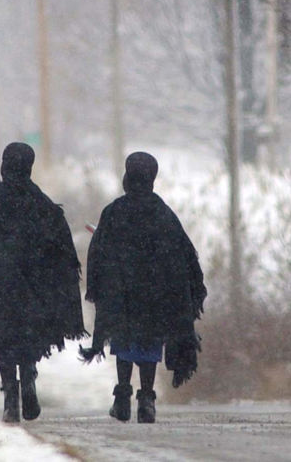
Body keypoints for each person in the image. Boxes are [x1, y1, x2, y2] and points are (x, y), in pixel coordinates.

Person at [0, 142, 86, 423]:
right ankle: (29, 377)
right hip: (34, 293)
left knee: (4, 339)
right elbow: (63, 254)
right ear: (29, 167)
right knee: (27, 337)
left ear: (4, 165)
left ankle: (10, 394)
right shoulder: (44, 207)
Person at [80, 151, 206, 424]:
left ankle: (122, 397)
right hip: (154, 299)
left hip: (122, 296)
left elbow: (98, 255)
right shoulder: (164, 215)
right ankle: (147, 399)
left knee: (123, 343)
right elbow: (185, 258)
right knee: (149, 345)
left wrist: (101, 288)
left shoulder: (113, 212)